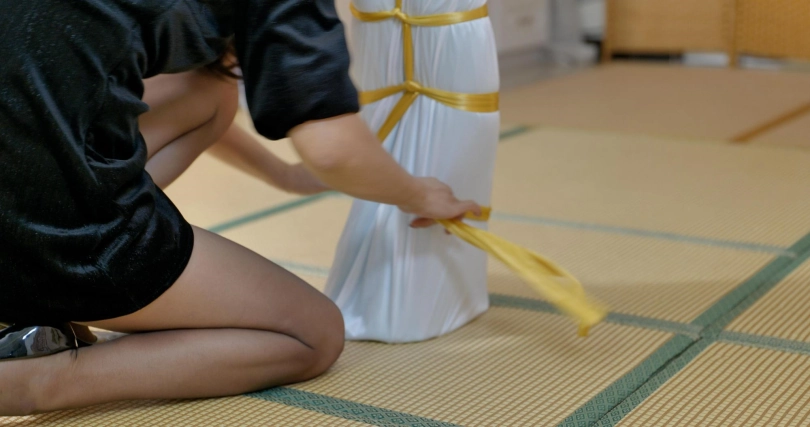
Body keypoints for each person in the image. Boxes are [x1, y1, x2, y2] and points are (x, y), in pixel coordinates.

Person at [0, 0, 479, 415]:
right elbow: (333, 149)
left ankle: (37, 296)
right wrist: (420, 195)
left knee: (209, 90)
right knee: (313, 334)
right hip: (38, 226)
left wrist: (286, 176)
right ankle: (38, 380)